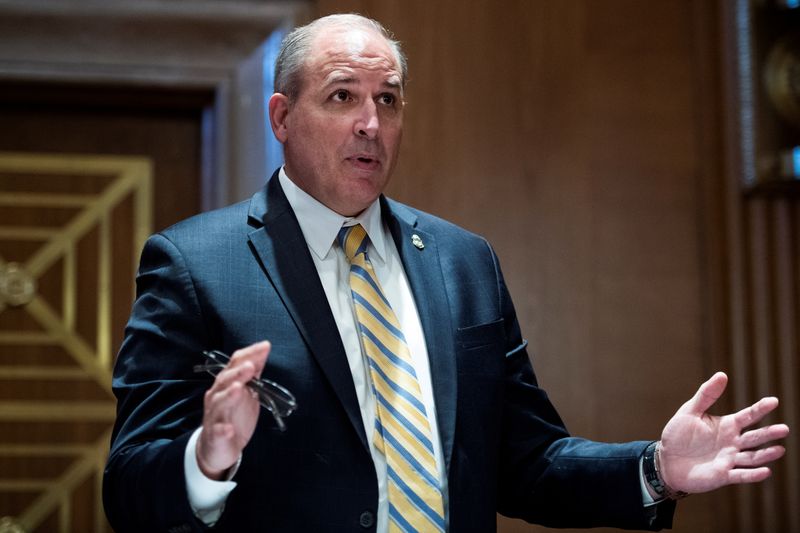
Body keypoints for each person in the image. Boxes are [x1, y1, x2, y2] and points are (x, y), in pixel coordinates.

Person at [103, 13, 789, 533]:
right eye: (343, 97)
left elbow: (527, 461)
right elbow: (127, 488)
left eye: (389, 100)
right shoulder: (195, 264)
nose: (371, 124)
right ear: (282, 117)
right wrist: (208, 455)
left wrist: (655, 469)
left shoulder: (464, 262)